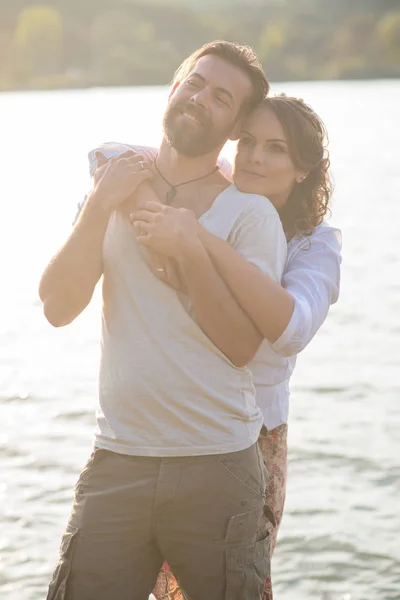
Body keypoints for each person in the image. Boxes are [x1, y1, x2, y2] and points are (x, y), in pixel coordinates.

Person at [39, 41, 290, 600]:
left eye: (221, 98)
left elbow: (242, 346)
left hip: (218, 463)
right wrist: (102, 204)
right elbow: (58, 307)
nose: (200, 99)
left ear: (233, 128)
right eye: (194, 83)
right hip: (117, 457)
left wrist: (192, 253)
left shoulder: (249, 215)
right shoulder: (110, 189)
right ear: (174, 87)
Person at [93, 94, 341, 600]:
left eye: (275, 149)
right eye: (247, 141)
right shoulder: (219, 191)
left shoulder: (314, 244)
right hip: (176, 432)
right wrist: (148, 208)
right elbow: (106, 153)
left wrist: (197, 242)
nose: (253, 157)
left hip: (252, 441)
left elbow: (292, 328)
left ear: (302, 170)